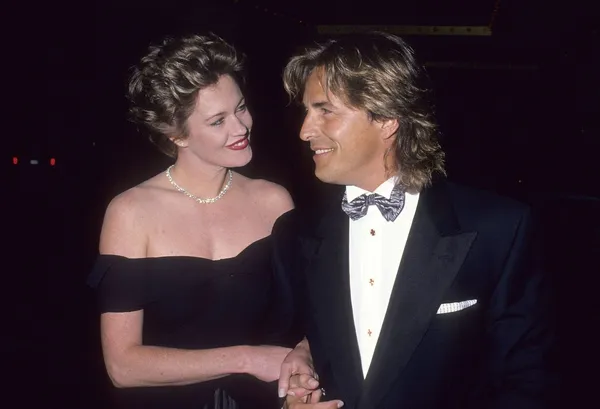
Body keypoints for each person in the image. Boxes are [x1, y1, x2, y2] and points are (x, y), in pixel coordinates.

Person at [274, 31, 556, 409]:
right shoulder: (296, 233)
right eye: (307, 111)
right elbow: (294, 345)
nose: (305, 130)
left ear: (387, 118)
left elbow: (527, 378)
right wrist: (294, 395)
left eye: (325, 110)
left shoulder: (498, 228)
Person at [86, 33, 309, 409]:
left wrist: (302, 360)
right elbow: (122, 366)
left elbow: (306, 319)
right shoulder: (131, 213)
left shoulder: (274, 201)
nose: (241, 128)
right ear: (177, 134)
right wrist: (246, 359)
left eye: (241, 108)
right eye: (218, 121)